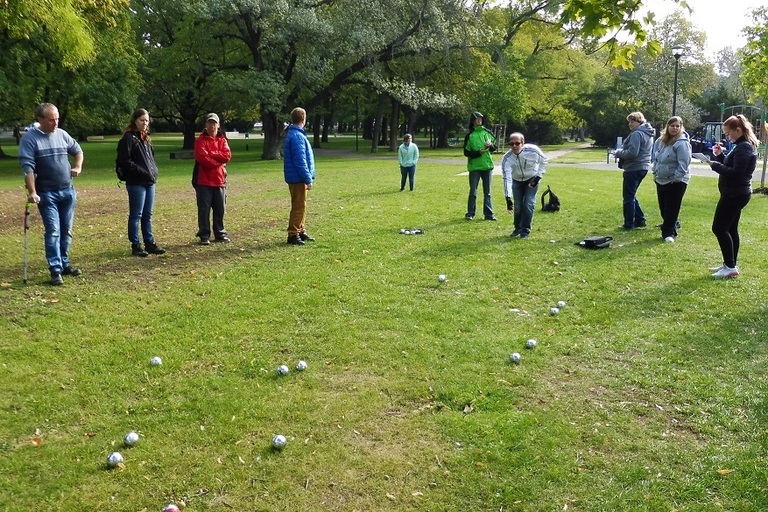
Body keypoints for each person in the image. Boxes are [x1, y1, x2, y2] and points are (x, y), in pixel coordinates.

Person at [19, 103, 84, 285]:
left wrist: (77, 166)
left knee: (66, 231)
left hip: (67, 191)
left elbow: (77, 150)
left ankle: (64, 264)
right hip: (47, 194)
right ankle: (55, 269)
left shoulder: (62, 134)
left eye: (57, 119)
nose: (55, 123)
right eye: (51, 120)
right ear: (40, 120)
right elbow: (28, 168)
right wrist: (32, 191)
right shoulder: (30, 139)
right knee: (54, 231)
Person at [708, 114, 759, 278]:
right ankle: (730, 264)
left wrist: (715, 166)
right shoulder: (741, 146)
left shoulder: (744, 147)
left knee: (719, 228)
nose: (727, 137)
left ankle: (730, 266)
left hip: (735, 194)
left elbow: (736, 173)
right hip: (735, 193)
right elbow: (732, 166)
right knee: (730, 228)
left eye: (728, 133)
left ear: (738, 130)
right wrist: (720, 157)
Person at [117, 108, 166, 257]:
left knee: (147, 214)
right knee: (136, 214)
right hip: (136, 182)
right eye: (142, 120)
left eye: (146, 121)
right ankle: (136, 244)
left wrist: (153, 171)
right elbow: (125, 161)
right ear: (135, 120)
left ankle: (149, 242)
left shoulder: (146, 138)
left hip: (149, 181)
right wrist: (142, 171)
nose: (144, 123)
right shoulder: (128, 138)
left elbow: (150, 159)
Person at [193, 113, 232, 245]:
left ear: (218, 125)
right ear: (206, 124)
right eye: (210, 123)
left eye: (214, 123)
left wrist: (212, 154)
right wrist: (218, 161)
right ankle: (204, 234)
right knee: (204, 209)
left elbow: (227, 156)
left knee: (220, 208)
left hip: (219, 180)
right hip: (203, 180)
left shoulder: (222, 140)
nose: (212, 126)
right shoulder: (200, 140)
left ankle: (220, 233)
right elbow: (202, 158)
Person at [651, 116, 691, 243]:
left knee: (671, 207)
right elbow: (656, 158)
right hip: (661, 178)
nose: (675, 128)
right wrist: (655, 172)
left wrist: (678, 177)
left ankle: (668, 233)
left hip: (676, 181)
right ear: (667, 127)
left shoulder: (682, 143)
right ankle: (671, 226)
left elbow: (684, 162)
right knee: (663, 207)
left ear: (681, 127)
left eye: (677, 126)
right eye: (672, 125)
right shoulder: (660, 141)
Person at [501, 132, 547, 239]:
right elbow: (506, 178)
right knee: (517, 207)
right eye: (511, 144)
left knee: (528, 203)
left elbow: (544, 160)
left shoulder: (533, 150)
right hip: (516, 180)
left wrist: (538, 177)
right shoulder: (507, 158)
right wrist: (508, 197)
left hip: (532, 178)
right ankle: (517, 228)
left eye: (517, 143)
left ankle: (525, 230)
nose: (514, 146)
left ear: (523, 143)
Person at [614, 112, 655, 230]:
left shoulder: (637, 134)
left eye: (632, 121)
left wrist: (618, 153)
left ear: (639, 121)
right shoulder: (647, 133)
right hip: (643, 167)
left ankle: (628, 224)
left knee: (628, 197)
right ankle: (640, 219)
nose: (630, 124)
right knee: (631, 195)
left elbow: (632, 152)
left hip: (634, 167)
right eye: (629, 122)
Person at [283, 107, 316, 245]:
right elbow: (300, 160)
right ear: (303, 119)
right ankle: (293, 234)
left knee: (301, 205)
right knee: (298, 206)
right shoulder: (297, 136)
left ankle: (300, 230)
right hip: (298, 178)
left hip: (296, 177)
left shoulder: (295, 134)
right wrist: (307, 178)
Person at [463, 111, 497, 220]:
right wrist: (478, 153)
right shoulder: (470, 136)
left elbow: (494, 147)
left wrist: (490, 145)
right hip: (475, 168)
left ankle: (489, 214)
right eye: (477, 119)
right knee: (473, 191)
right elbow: (466, 152)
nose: (480, 120)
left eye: (481, 119)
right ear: (473, 121)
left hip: (487, 167)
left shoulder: (487, 133)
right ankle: (470, 213)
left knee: (487, 192)